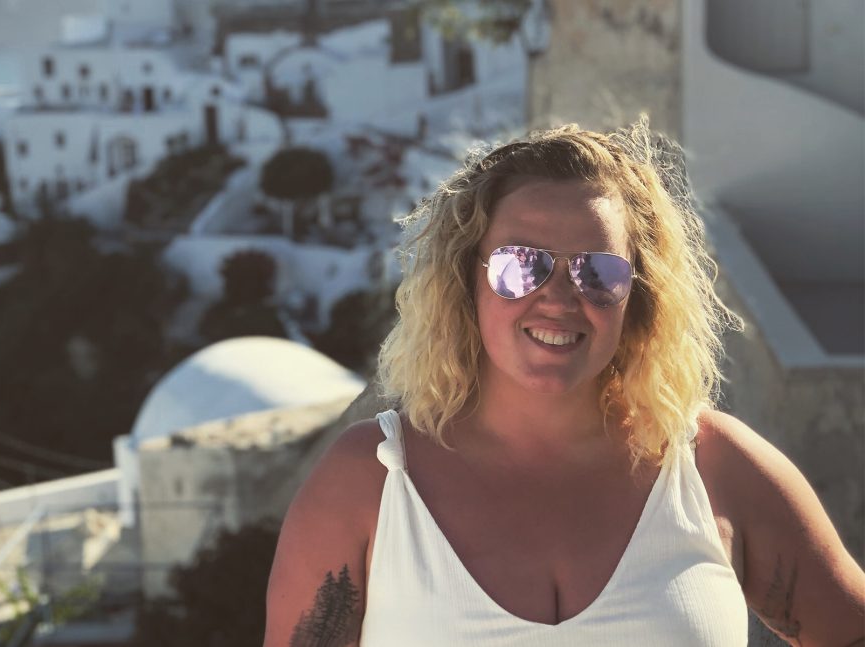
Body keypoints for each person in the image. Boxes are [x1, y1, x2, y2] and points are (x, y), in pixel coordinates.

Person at [264, 120, 865, 646]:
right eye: (521, 265)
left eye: (598, 271)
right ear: (464, 283)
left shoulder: (716, 469)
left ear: (640, 295)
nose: (558, 297)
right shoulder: (368, 481)